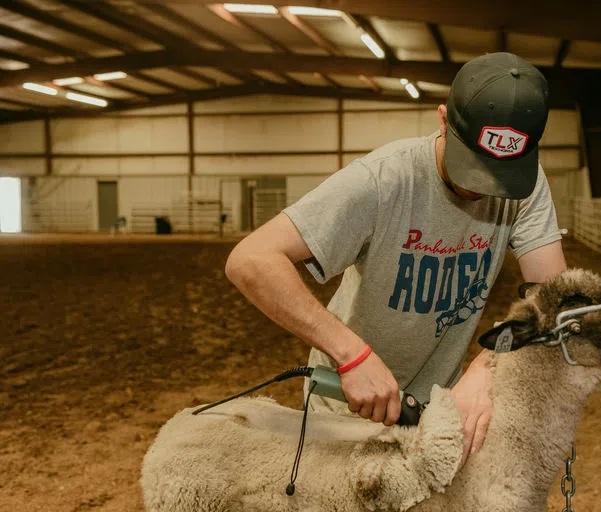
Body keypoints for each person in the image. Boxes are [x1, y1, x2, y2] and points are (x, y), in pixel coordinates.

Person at [225, 52, 567, 465]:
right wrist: (352, 355)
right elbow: (251, 258)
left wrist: (489, 365)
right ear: (443, 119)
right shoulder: (383, 180)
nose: (487, 188)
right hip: (347, 408)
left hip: (445, 408)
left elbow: (554, 298)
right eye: (474, 167)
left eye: (503, 174)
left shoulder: (526, 184)